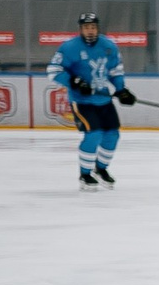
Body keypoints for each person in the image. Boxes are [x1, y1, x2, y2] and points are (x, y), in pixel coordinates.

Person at [48, 11, 134, 190]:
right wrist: (75, 82)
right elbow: (54, 71)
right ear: (81, 29)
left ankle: (100, 169)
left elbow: (115, 70)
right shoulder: (69, 47)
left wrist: (121, 90)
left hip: (103, 100)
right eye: (86, 27)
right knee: (93, 134)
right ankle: (85, 174)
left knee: (112, 135)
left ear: (97, 28)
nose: (90, 30)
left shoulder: (108, 45)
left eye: (93, 27)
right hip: (82, 101)